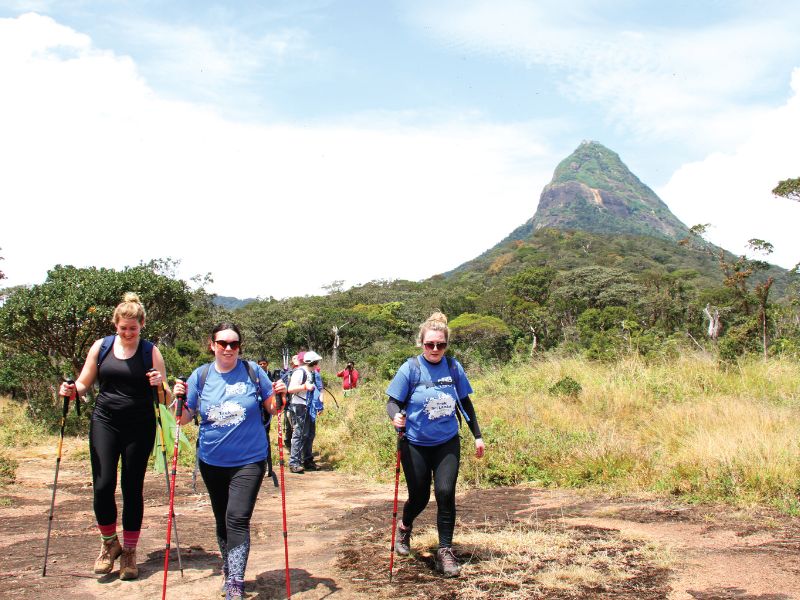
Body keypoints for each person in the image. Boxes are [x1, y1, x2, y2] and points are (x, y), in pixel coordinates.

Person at [172, 322, 285, 599]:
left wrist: (281, 395)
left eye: (233, 344)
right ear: (212, 345)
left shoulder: (253, 372)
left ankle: (235, 580)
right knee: (222, 519)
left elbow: (272, 407)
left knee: (237, 518)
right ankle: (228, 567)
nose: (228, 348)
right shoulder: (201, 375)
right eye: (222, 343)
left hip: (250, 459)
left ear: (239, 347)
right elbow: (185, 417)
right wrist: (174, 398)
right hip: (212, 460)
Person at [59, 292, 166, 581]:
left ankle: (129, 552)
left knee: (132, 488)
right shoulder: (101, 346)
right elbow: (84, 382)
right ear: (115, 325)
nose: (128, 333)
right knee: (103, 484)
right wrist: (72, 390)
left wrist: (159, 384)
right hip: (105, 421)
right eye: (123, 328)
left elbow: (165, 397)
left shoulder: (150, 352)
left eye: (133, 328)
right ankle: (109, 544)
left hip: (139, 424)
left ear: (142, 325)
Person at [385, 312, 486, 577]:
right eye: (430, 344)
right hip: (415, 443)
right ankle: (405, 527)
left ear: (446, 345)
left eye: (440, 344)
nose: (435, 349)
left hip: (447, 442)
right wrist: (395, 416)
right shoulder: (411, 368)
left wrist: (477, 435)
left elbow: (465, 402)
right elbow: (393, 401)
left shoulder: (453, 368)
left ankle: (445, 551)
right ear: (421, 343)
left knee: (445, 492)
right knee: (419, 497)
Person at [287, 350, 321, 473]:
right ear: (313, 362)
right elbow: (290, 389)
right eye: (317, 362)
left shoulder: (310, 372)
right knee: (299, 434)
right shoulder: (300, 372)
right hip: (299, 406)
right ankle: (294, 463)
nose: (318, 364)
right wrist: (304, 387)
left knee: (309, 434)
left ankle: (307, 460)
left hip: (308, 406)